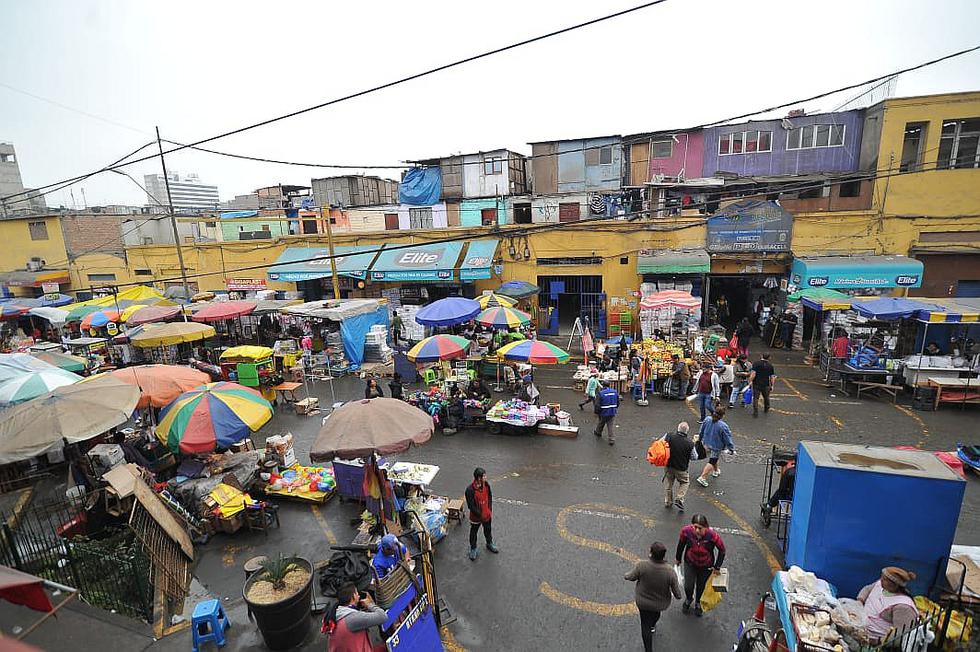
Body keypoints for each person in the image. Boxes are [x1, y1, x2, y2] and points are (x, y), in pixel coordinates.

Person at [624, 541, 682, 652]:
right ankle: (653, 625)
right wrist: (679, 596)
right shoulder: (670, 572)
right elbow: (676, 592)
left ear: (651, 553)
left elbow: (631, 576)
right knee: (656, 615)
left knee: (644, 624)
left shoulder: (642, 565)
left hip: (643, 602)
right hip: (660, 603)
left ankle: (648, 649)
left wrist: (625, 576)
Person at [675, 514, 726, 618]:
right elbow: (681, 544)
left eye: (700, 528)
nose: (697, 530)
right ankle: (689, 598)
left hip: (706, 566)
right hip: (690, 562)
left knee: (701, 586)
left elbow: (722, 550)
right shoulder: (686, 531)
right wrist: (678, 558)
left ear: (706, 527)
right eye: (695, 527)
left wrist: (717, 567)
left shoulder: (713, 536)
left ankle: (698, 603)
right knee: (688, 585)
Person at [857, 567, 919, 643]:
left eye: (885, 579)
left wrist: (877, 642)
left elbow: (900, 635)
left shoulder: (903, 607)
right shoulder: (880, 585)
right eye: (882, 577)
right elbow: (867, 589)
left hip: (874, 640)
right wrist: (859, 602)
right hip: (859, 625)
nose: (881, 580)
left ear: (895, 585)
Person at [328, 582, 388, 652]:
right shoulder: (352, 619)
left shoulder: (337, 613)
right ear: (353, 596)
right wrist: (370, 604)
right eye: (357, 593)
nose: (359, 596)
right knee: (386, 648)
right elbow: (383, 617)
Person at [696, 408, 735, 488]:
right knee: (712, 460)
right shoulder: (723, 426)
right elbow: (727, 439)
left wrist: (699, 440)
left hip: (706, 443)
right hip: (716, 446)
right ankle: (702, 477)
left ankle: (716, 471)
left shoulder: (707, 419)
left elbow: (701, 431)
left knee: (714, 458)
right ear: (722, 415)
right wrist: (731, 448)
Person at [465, 467, 497, 560]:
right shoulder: (470, 490)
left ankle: (489, 543)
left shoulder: (486, 485)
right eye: (484, 476)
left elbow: (489, 496)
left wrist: (489, 509)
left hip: (486, 514)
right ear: (478, 478)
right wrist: (480, 514)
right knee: (474, 532)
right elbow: (471, 506)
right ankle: (473, 548)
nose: (485, 477)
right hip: (476, 517)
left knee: (488, 529)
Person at [663, 422, 696, 512]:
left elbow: (661, 444)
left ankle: (668, 502)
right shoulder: (689, 443)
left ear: (678, 428)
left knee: (669, 484)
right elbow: (694, 457)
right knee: (685, 482)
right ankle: (679, 498)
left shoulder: (669, 436)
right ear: (687, 431)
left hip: (669, 465)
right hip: (681, 468)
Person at [749, 353, 776, 418]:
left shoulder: (756, 363)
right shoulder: (770, 366)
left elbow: (753, 374)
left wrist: (750, 381)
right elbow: (772, 377)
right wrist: (772, 385)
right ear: (769, 358)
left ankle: (755, 412)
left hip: (757, 383)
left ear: (761, 356)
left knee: (756, 398)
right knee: (766, 397)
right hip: (766, 384)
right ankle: (766, 408)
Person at [593, 380, 619, 445]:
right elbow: (618, 402)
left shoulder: (601, 393)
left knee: (602, 421)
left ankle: (598, 432)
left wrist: (597, 412)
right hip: (612, 411)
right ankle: (611, 439)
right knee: (609, 425)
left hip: (604, 411)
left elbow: (597, 405)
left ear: (603, 385)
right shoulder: (615, 392)